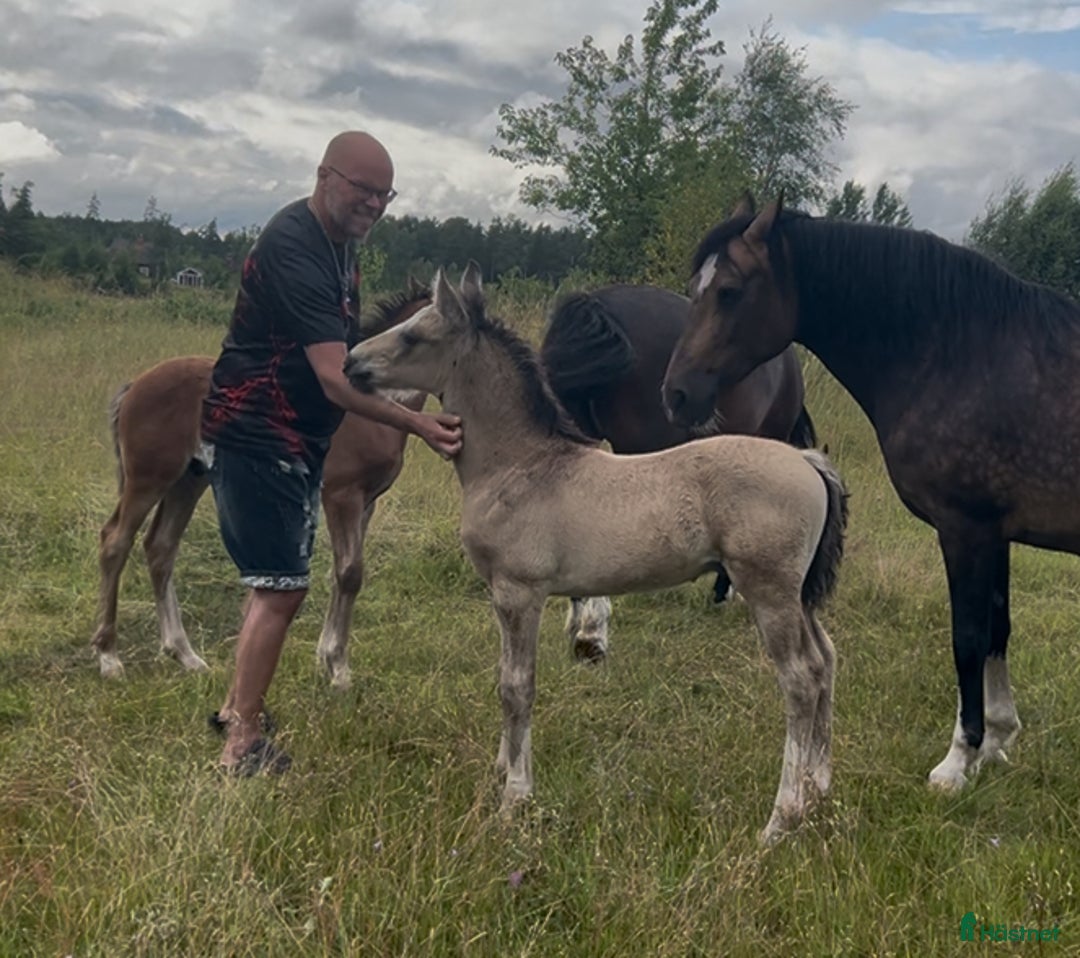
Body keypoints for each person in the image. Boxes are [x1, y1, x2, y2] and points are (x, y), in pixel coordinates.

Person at [201, 131, 463, 775]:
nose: (372, 204)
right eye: (361, 189)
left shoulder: (339, 246)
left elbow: (348, 347)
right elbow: (333, 377)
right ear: (325, 176)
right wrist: (418, 424)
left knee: (271, 581)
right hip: (261, 431)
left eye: (383, 195)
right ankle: (241, 745)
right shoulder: (296, 247)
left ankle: (237, 707)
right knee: (284, 591)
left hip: (293, 434)